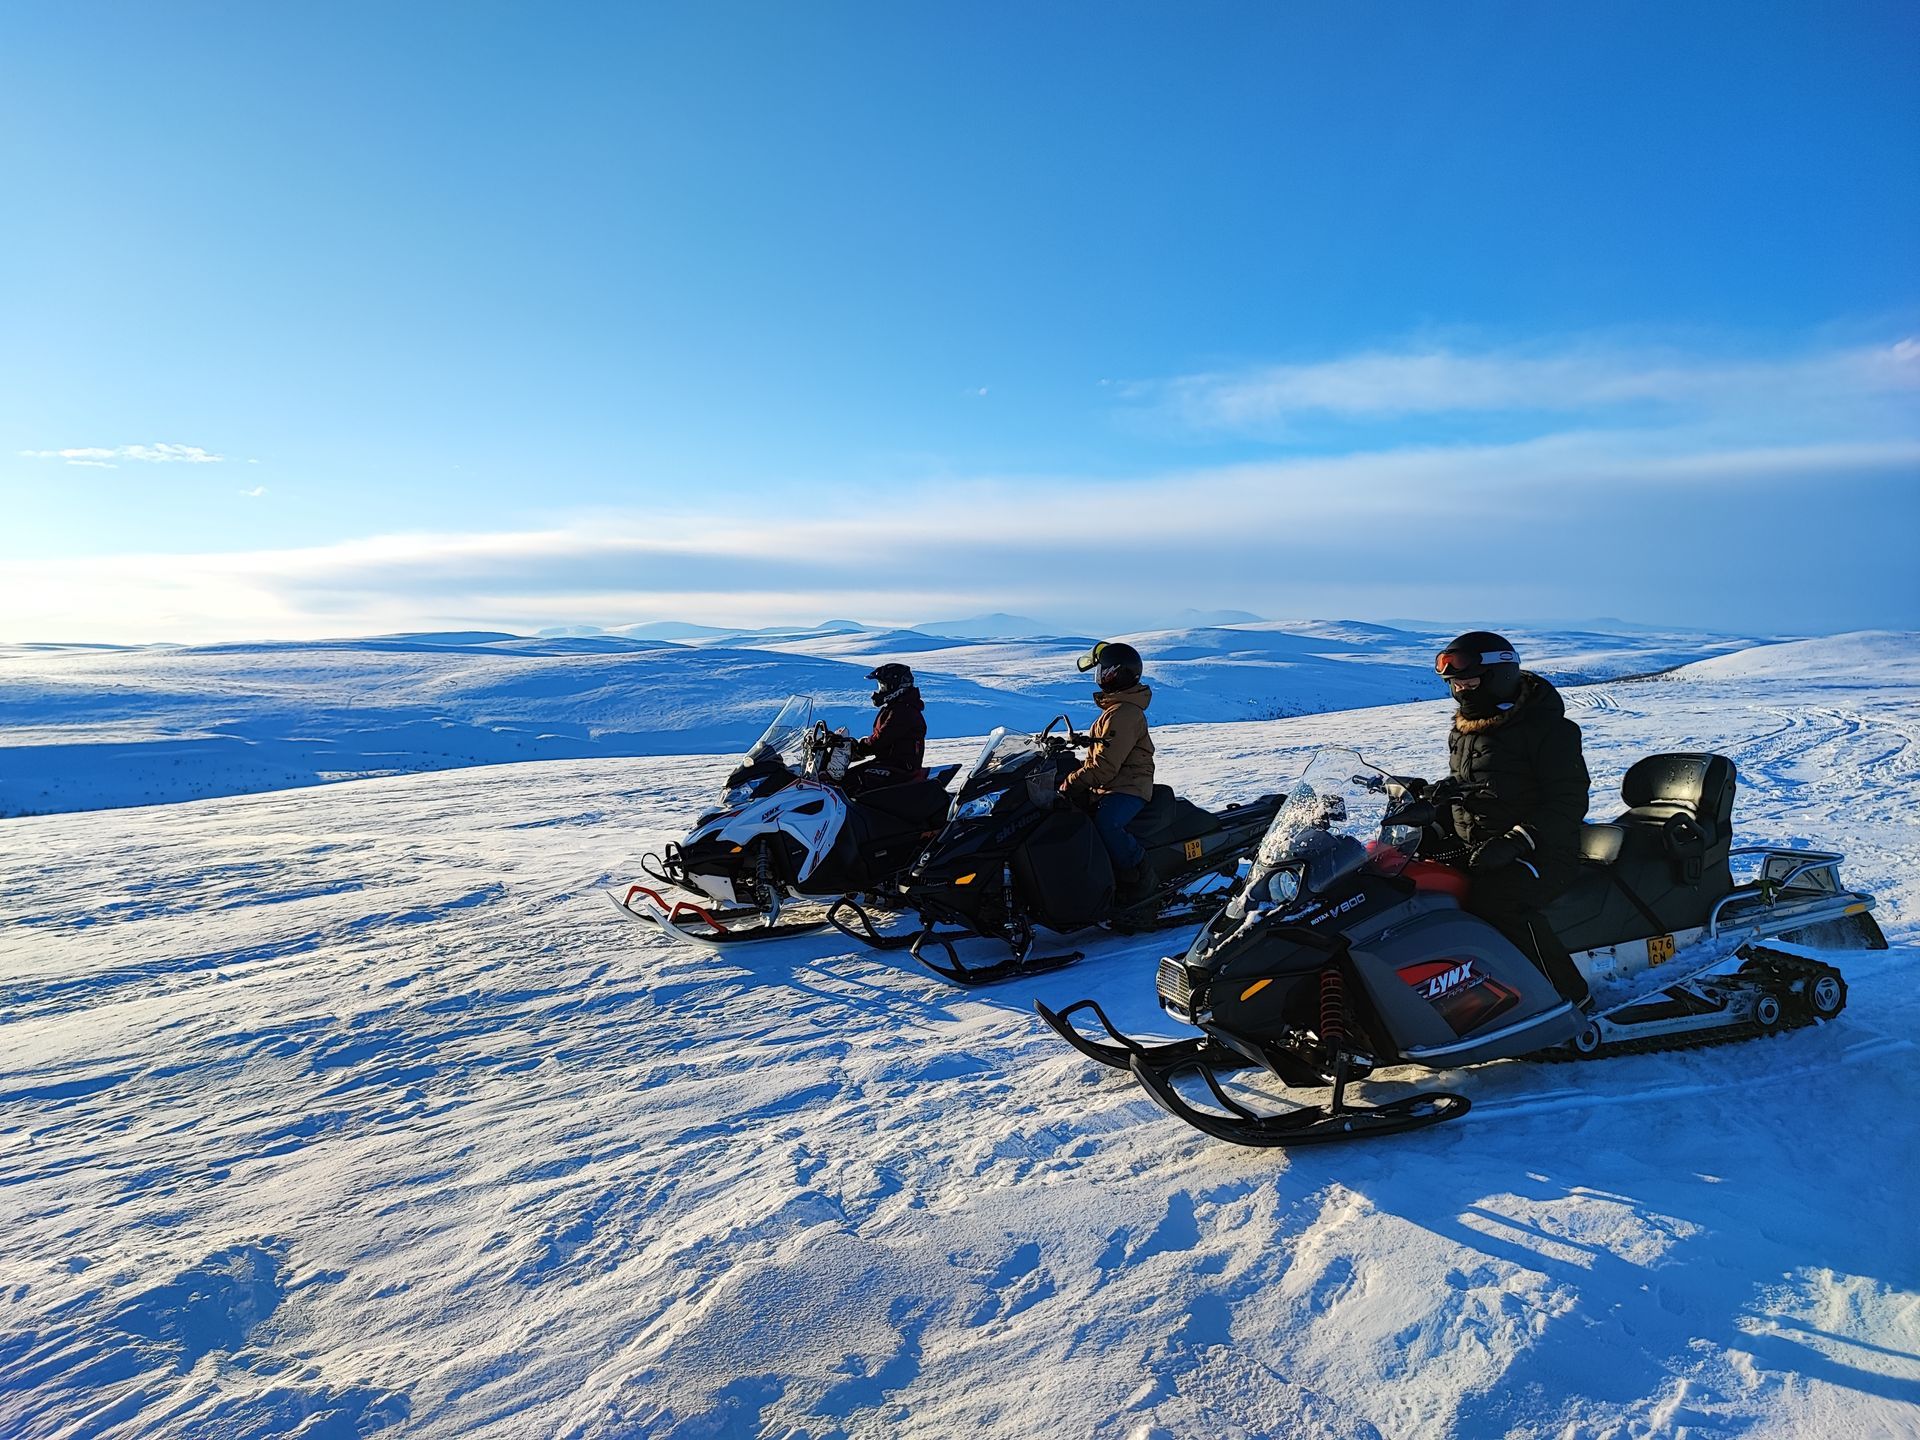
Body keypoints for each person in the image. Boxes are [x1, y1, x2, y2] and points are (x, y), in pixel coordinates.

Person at [1433, 630, 1595, 1010]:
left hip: (1544, 851)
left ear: (1498, 675)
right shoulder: (1466, 731)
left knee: (1496, 900)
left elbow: (1569, 801)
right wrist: (1438, 798)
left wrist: (1517, 840)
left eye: (1468, 680)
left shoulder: (1548, 729)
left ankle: (1569, 999)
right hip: (1483, 843)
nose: (1460, 689)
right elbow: (1477, 783)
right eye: (1454, 683)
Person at [1058, 640, 1158, 901]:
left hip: (1128, 786)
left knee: (1106, 824)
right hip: (1112, 784)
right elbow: (1108, 747)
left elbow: (1105, 767)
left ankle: (1140, 875)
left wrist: (1069, 783)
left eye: (1103, 671)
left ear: (1117, 674)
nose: (1099, 677)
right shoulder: (1116, 709)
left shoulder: (1123, 713)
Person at [846, 662, 926, 792]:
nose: (880, 690)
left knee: (852, 780)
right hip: (891, 764)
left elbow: (882, 739)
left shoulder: (904, 711)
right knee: (850, 777)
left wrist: (859, 748)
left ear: (896, 686)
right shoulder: (896, 707)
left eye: (883, 686)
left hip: (900, 769)